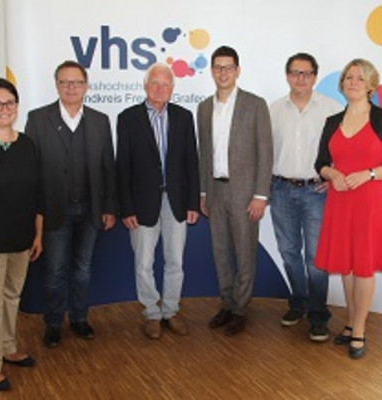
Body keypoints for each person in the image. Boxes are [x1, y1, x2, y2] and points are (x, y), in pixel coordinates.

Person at [25, 61, 117, 348]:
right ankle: (53, 323)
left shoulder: (100, 120)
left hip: (90, 209)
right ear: (56, 86)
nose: (71, 87)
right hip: (54, 210)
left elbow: (108, 168)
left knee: (83, 268)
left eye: (77, 82)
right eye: (64, 82)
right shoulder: (38, 119)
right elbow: (30, 170)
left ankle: (79, 318)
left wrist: (109, 208)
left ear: (86, 86)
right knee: (55, 270)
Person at [116, 63, 200, 339]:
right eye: (155, 83)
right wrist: (126, 208)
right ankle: (152, 313)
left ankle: (171, 311)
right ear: (145, 86)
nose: (160, 89)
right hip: (141, 204)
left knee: (175, 261)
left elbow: (191, 162)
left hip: (176, 202)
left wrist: (192, 203)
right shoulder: (128, 118)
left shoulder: (184, 117)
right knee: (144, 262)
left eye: (166, 84)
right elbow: (122, 167)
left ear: (172, 88)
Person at [197, 46, 273, 336]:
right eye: (218, 67)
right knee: (220, 252)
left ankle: (241, 309)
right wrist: (204, 192)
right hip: (215, 191)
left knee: (244, 253)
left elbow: (265, 152)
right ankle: (227, 304)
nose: (223, 72)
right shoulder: (204, 108)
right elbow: (204, 154)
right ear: (212, 71)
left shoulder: (255, 105)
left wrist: (260, 195)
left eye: (228, 67)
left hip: (245, 193)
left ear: (237, 70)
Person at [269, 53, 342, 342]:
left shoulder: (332, 109)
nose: (301, 78)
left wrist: (333, 176)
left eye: (307, 73)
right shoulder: (274, 110)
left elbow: (344, 149)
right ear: (287, 76)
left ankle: (319, 315)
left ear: (315, 76)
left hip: (316, 192)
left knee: (316, 258)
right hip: (280, 189)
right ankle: (299, 303)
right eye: (296, 73)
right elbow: (265, 153)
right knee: (288, 252)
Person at [315, 59, 382, 358]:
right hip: (340, 200)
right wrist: (332, 174)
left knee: (363, 266)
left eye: (360, 78)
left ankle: (359, 330)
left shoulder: (380, 118)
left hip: (370, 201)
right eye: (349, 77)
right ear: (342, 83)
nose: (353, 82)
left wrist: (369, 174)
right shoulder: (332, 121)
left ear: (370, 86)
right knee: (346, 265)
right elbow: (320, 163)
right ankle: (352, 322)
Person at [0, 78, 43, 391]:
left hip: (21, 237)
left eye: (9, 103)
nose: (3, 108)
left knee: (11, 296)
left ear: (16, 106)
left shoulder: (26, 144)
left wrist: (38, 234)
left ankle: (8, 347)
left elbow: (37, 194)